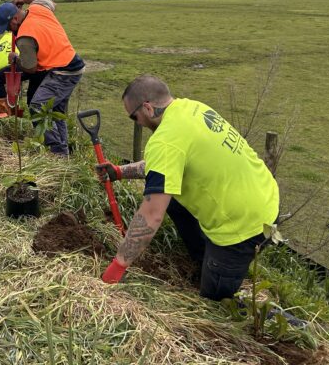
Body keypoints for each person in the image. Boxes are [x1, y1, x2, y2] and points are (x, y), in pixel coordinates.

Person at [97, 75, 280, 302]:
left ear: (147, 107)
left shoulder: (165, 140)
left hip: (243, 227)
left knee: (215, 301)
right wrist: (121, 172)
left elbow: (152, 215)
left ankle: (273, 317)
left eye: (134, 117)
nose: (137, 123)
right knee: (173, 199)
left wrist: (118, 266)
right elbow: (168, 163)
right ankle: (203, 256)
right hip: (265, 196)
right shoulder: (192, 108)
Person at [0, 0, 84, 154]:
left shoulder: (24, 37)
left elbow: (31, 68)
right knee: (55, 113)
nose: (9, 30)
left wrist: (16, 59)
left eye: (8, 26)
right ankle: (63, 155)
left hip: (62, 72)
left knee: (38, 108)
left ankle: (57, 152)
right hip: (72, 63)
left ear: (15, 18)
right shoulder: (37, 9)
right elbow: (49, 1)